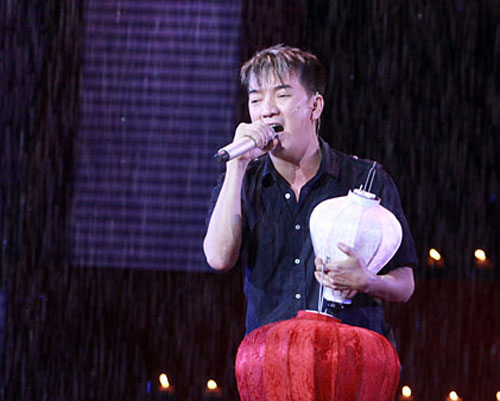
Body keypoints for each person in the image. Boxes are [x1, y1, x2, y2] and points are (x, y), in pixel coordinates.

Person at [203, 44, 417, 338]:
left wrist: (367, 281)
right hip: (272, 356)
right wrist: (237, 165)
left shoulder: (366, 179)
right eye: (256, 99)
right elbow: (218, 258)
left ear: (315, 106)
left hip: (349, 353)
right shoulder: (243, 181)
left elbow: (405, 284)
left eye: (282, 95)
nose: (267, 110)